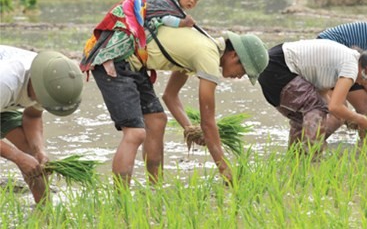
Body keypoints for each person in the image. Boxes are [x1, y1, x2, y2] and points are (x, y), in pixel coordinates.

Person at [83, 26, 268, 187]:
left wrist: (189, 129)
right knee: (135, 133)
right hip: (113, 59)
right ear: (234, 55)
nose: (240, 76)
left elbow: (170, 96)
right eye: (244, 70)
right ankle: (120, 200)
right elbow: (208, 123)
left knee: (157, 121)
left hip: (132, 64)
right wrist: (226, 170)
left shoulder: (201, 47)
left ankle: (155, 190)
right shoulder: (208, 56)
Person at [258, 39, 367, 153]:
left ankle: (296, 162)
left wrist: (346, 117)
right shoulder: (351, 65)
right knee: (316, 108)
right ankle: (313, 159)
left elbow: (322, 94)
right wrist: (360, 119)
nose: (366, 84)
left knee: (301, 118)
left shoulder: (346, 61)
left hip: (270, 68)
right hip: (280, 67)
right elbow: (335, 107)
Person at [81, 0, 205, 78]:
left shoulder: (174, 6)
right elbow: (166, 19)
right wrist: (183, 23)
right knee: (125, 36)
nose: (192, 1)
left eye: (196, 0)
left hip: (136, 12)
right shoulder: (168, 3)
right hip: (131, 11)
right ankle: (105, 58)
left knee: (130, 36)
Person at [0, 45, 83, 204]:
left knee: (33, 161)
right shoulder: (6, 80)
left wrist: (39, 150)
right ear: (38, 88)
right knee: (23, 158)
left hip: (5, 102)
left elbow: (32, 117)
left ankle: (44, 210)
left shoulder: (50, 78)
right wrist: (17, 157)